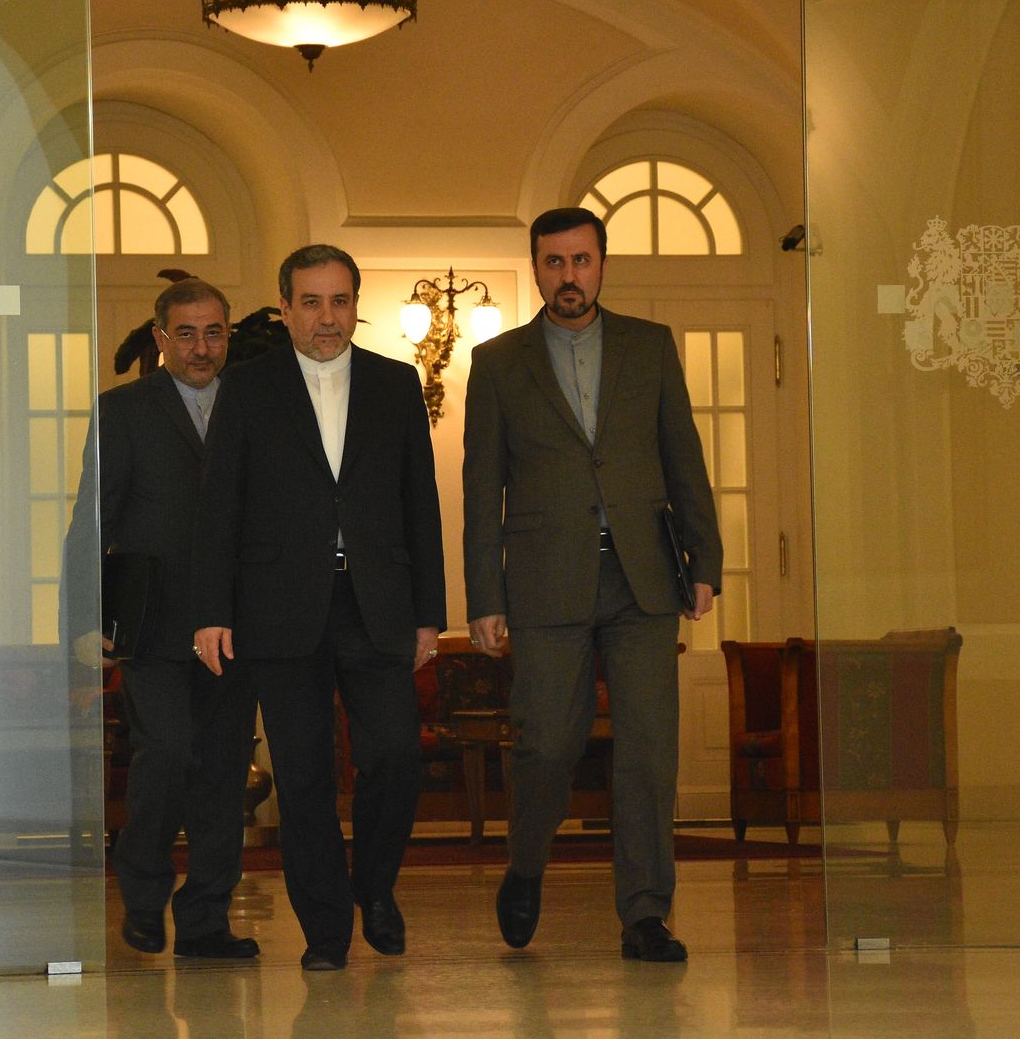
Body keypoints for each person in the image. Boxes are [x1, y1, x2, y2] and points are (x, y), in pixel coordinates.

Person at [462, 206, 721, 963]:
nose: (568, 276)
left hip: (643, 575)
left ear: (602, 264)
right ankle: (527, 865)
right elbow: (483, 488)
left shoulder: (650, 347)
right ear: (536, 268)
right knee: (547, 742)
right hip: (545, 583)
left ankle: (645, 913)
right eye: (553, 262)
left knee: (648, 749)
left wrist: (705, 561)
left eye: (581, 260)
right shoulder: (498, 362)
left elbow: (684, 459)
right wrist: (485, 596)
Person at [191, 244, 445, 972]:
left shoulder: (396, 385)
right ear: (286, 309)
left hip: (377, 604)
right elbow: (221, 508)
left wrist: (431, 611)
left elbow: (418, 503)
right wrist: (212, 611)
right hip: (279, 608)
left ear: (356, 305)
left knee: (395, 756)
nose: (326, 317)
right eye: (311, 302)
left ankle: (375, 887)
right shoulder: (247, 387)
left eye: (339, 301)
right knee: (302, 779)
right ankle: (325, 932)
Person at [63, 278, 260, 959]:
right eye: (187, 333)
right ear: (160, 339)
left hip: (238, 625)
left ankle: (206, 920)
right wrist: (86, 620)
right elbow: (92, 520)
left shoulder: (258, 403)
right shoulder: (124, 411)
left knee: (221, 775)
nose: (201, 347)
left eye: (214, 332)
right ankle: (143, 901)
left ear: (227, 335)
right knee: (166, 756)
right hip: (154, 624)